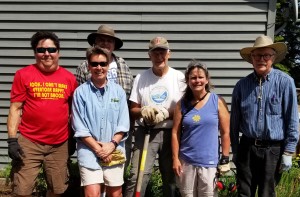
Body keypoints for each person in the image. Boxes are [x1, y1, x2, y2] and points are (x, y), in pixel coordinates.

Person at [6, 31, 77, 197]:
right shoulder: (23, 75)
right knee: (22, 191)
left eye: (52, 50)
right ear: (35, 52)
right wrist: (11, 139)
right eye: (41, 50)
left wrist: (73, 137)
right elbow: (15, 109)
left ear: (58, 52)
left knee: (57, 190)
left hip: (59, 143)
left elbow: (74, 112)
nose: (47, 54)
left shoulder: (69, 78)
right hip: (30, 141)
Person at [230, 35, 299, 197]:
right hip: (247, 147)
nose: (262, 59)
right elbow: (234, 122)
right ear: (251, 59)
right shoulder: (241, 86)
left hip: (273, 150)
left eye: (266, 55)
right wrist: (235, 149)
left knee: (267, 193)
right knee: (244, 192)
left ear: (273, 58)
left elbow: (292, 120)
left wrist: (288, 152)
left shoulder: (285, 82)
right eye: (257, 55)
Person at [124, 36, 186, 197]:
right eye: (155, 53)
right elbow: (133, 109)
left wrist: (166, 113)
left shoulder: (179, 78)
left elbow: (186, 108)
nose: (159, 56)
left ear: (169, 54)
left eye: (162, 52)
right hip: (145, 132)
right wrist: (144, 111)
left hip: (171, 133)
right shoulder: (141, 78)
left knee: (171, 177)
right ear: (149, 55)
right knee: (138, 175)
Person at [75, 24, 134, 175]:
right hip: (92, 133)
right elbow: (80, 98)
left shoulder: (123, 65)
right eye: (101, 40)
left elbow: (128, 96)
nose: (105, 43)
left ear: (114, 45)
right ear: (95, 43)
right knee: (91, 178)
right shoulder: (84, 66)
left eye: (109, 41)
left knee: (116, 174)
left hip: (117, 131)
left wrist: (114, 140)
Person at [72, 46, 130, 197]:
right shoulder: (80, 93)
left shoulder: (119, 92)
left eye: (103, 64)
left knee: (115, 194)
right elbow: (79, 126)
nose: (99, 67)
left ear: (108, 65)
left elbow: (123, 124)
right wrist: (99, 150)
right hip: (89, 151)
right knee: (92, 193)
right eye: (94, 64)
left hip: (114, 150)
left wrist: (111, 146)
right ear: (88, 66)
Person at [171, 60, 231, 197]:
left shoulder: (218, 102)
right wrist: (175, 158)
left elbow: (225, 132)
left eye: (200, 77)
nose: (197, 80)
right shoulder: (182, 104)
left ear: (206, 79)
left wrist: (225, 158)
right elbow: (175, 133)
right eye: (193, 77)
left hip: (209, 162)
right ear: (187, 80)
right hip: (186, 162)